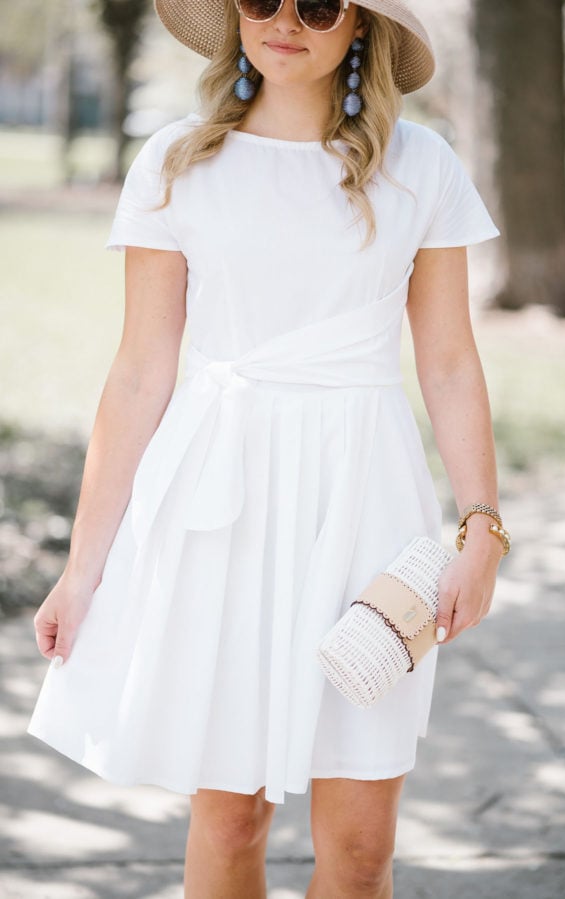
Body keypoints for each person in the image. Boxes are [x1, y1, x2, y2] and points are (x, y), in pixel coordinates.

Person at [27, 0, 510, 895]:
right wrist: (81, 569)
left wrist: (482, 526)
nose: (285, 21)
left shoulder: (421, 165)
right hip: (222, 508)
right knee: (231, 818)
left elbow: (448, 362)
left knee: (360, 851)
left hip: (366, 496)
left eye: (318, 5)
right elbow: (138, 374)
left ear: (360, 26)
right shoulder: (176, 162)